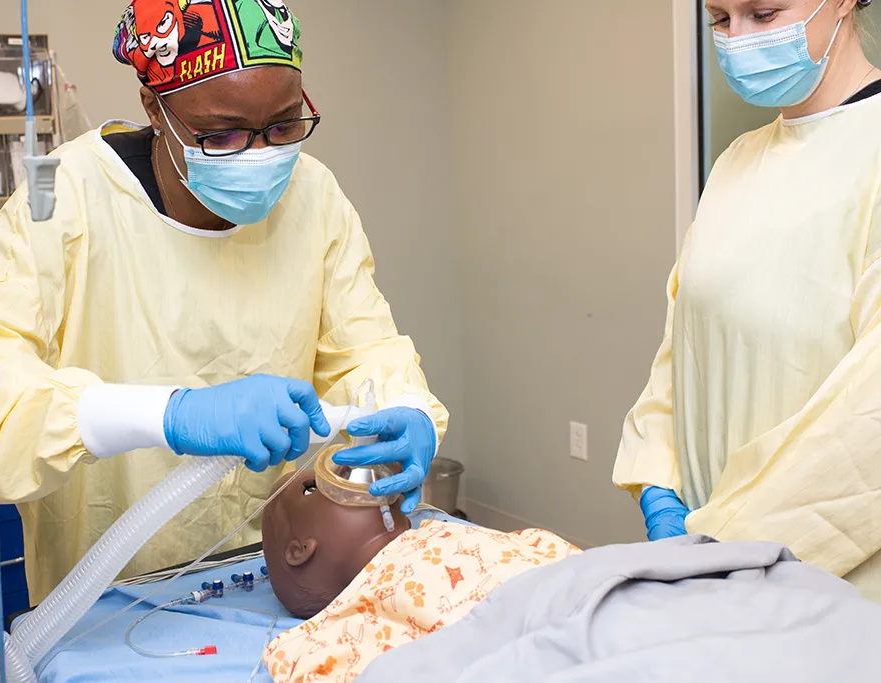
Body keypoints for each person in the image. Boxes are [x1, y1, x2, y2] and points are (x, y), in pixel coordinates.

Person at [0, 0, 447, 605]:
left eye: (282, 126)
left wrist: (406, 406)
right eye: (221, 133)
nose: (260, 154)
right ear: (154, 105)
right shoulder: (60, 193)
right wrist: (170, 415)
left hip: (277, 575)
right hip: (105, 594)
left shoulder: (314, 196)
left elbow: (364, 349)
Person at [614, 0, 881, 600]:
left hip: (828, 586)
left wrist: (731, 548)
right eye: (720, 20)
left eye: (763, 14)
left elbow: (869, 429)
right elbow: (680, 348)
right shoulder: (736, 162)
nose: (737, 40)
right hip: (706, 564)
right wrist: (659, 478)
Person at [261, 447, 580, 682]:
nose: (341, 481)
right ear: (301, 550)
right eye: (313, 487)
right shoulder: (358, 617)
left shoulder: (437, 527)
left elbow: (546, 550)